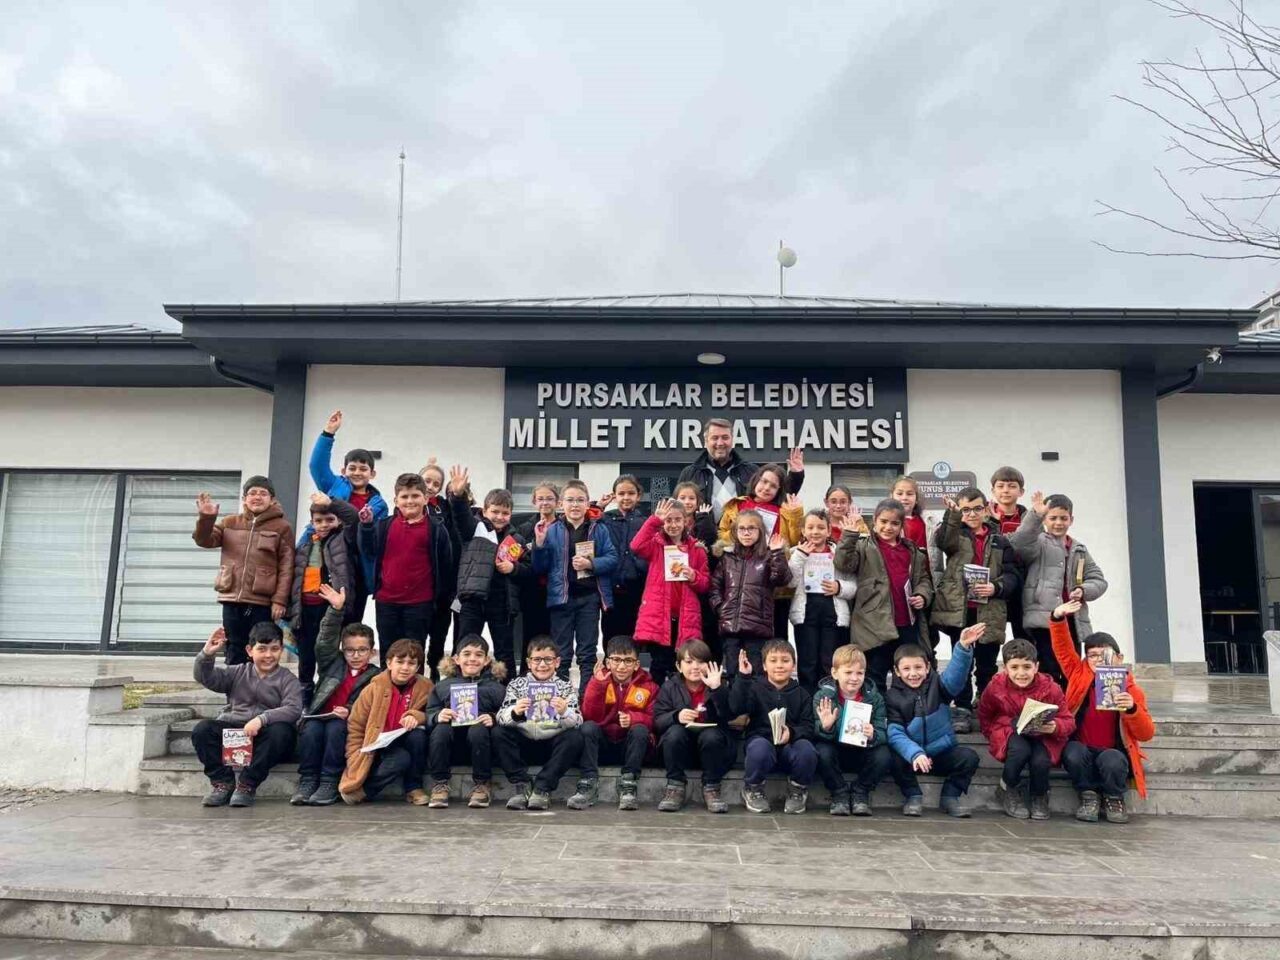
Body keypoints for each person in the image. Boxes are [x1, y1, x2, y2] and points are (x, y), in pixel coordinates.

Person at [1052, 599, 1155, 824]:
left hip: (1112, 751)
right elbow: (1063, 649)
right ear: (1086, 659)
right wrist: (1058, 618)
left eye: (1105, 654)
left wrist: (1131, 708)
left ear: (1119, 658)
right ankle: (1087, 795)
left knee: (1113, 760)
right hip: (1082, 748)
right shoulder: (1078, 674)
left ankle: (1114, 797)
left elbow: (1146, 734)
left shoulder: (1132, 689)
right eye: (1093, 655)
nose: (1099, 660)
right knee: (1072, 752)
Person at [930, 489, 1023, 733]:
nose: (972, 514)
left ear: (986, 509)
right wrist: (952, 515)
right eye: (966, 510)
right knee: (962, 661)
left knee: (987, 663)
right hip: (959, 611)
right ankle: (961, 708)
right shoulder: (955, 535)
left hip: (989, 610)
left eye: (977, 509)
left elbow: (1013, 575)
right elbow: (942, 541)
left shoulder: (1000, 540)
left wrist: (996, 587)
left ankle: (985, 705)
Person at [191, 621, 301, 808]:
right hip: (236, 733)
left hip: (266, 738)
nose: (268, 655)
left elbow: (293, 709)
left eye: (274, 649)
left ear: (281, 650)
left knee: (282, 732)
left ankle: (246, 785)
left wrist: (261, 719)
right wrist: (207, 654)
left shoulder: (287, 679)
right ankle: (223, 783)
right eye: (262, 649)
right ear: (250, 651)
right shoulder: (237, 672)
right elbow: (205, 678)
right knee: (202, 730)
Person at [1008, 491, 1108, 688]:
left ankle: (1069, 706)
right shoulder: (1038, 542)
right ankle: (1048, 705)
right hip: (1043, 620)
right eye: (1052, 518)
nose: (1058, 523)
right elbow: (1019, 541)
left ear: (1071, 519)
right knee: (1048, 669)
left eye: (1063, 518)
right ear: (1045, 519)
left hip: (1072, 620)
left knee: (1072, 669)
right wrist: (1035, 515)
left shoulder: (1079, 549)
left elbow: (1098, 580)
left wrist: (1083, 590)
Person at [193, 476, 295, 667]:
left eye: (263, 493)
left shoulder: (282, 527)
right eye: (252, 493)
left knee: (262, 647)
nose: (257, 497)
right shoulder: (230, 522)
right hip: (231, 598)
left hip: (263, 602)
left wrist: (280, 600)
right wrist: (206, 519)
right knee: (234, 646)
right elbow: (204, 540)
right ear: (244, 499)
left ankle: (260, 685)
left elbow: (286, 566)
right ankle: (234, 685)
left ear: (272, 499)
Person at [292, 585, 380, 807]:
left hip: (346, 722)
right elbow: (325, 640)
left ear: (372, 652)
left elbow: (369, 704)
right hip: (320, 715)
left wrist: (349, 710)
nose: (356, 655)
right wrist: (336, 610)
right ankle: (308, 780)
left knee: (335, 729)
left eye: (362, 650)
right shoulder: (332, 663)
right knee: (311, 731)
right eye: (350, 650)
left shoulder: (375, 676)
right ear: (342, 650)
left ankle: (329, 781)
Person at [531, 479, 618, 698]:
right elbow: (539, 568)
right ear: (561, 504)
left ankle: (585, 699)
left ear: (588, 503)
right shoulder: (551, 530)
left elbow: (612, 558)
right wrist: (539, 545)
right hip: (561, 599)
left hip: (589, 598)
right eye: (570, 500)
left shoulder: (599, 529)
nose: (575, 505)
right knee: (561, 653)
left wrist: (591, 563)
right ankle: (563, 700)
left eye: (580, 500)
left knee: (587, 653)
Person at [884, 628, 983, 818]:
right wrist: (915, 753)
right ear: (897, 671)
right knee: (892, 757)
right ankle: (913, 795)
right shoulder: (892, 697)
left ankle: (950, 796)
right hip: (911, 758)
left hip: (940, 753)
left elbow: (955, 676)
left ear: (927, 667)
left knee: (969, 757)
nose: (913, 673)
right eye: (906, 669)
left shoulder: (938, 685)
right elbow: (895, 733)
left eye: (918, 667)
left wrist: (962, 647)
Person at [834, 498, 933, 687]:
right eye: (884, 521)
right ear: (874, 521)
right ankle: (877, 707)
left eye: (895, 523)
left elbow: (923, 580)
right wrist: (849, 535)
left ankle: (902, 706)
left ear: (901, 525)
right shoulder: (863, 546)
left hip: (906, 623)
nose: (888, 527)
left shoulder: (911, 550)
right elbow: (843, 564)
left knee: (905, 676)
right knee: (875, 676)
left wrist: (922, 595)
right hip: (874, 625)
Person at [359, 472, 454, 670]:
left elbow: (446, 567)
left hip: (420, 603)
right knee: (388, 651)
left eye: (415, 496)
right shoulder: (384, 526)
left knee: (415, 652)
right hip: (387, 601)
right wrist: (366, 526)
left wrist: (441, 601)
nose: (410, 501)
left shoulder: (437, 529)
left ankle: (415, 690)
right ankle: (388, 689)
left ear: (425, 498)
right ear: (396, 500)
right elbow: (368, 550)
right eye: (404, 496)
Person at [977, 637, 1075, 821]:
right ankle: (1007, 788)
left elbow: (1068, 720)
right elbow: (985, 715)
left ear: (1036, 667)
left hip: (1042, 735)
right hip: (1009, 731)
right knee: (1020, 750)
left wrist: (1055, 727)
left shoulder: (1051, 688)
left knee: (1040, 761)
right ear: (1005, 668)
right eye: (1014, 667)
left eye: (1027, 667)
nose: (1021, 673)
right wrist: (994, 735)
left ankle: (1040, 795)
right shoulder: (995, 687)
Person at [447, 465, 528, 680]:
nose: (500, 517)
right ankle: (460, 686)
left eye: (505, 513)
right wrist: (458, 495)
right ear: (484, 511)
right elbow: (460, 515)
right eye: (495, 511)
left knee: (504, 651)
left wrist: (514, 568)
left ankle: (508, 690)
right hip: (472, 600)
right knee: (465, 646)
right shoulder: (475, 528)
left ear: (511, 514)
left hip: (502, 602)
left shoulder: (517, 539)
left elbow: (528, 570)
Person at [308, 409, 387, 621]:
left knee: (351, 617)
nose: (357, 473)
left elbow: (372, 536)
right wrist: (328, 433)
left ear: (372, 474)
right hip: (327, 558)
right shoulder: (333, 486)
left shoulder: (378, 504)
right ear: (343, 471)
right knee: (321, 614)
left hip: (357, 565)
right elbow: (316, 466)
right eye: (352, 468)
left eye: (363, 469)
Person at [495, 637, 587, 810]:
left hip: (552, 745)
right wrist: (515, 712)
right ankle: (522, 785)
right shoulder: (517, 684)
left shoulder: (565, 686)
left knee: (574, 737)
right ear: (528, 663)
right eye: (537, 659)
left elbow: (578, 721)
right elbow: (500, 717)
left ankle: (542, 788)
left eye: (548, 659)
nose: (542, 665)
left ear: (557, 662)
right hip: (524, 743)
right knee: (499, 733)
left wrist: (564, 712)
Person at [339, 638, 433, 804]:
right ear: (389, 663)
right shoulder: (373, 689)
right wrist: (354, 756)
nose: (405, 668)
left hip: (407, 740)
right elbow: (356, 726)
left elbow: (433, 714)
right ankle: (365, 790)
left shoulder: (426, 687)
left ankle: (413, 788)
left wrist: (417, 717)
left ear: (418, 667)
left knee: (418, 736)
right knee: (400, 759)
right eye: (400, 662)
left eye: (411, 663)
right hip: (377, 745)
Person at [729, 641, 818, 815]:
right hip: (762, 743)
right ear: (764, 665)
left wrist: (792, 733)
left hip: (790, 747)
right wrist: (744, 677)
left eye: (785, 660)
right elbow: (736, 707)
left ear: (794, 665)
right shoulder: (755, 688)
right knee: (759, 748)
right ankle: (753, 788)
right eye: (773, 660)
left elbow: (808, 727)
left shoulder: (803, 694)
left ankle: (798, 790)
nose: (779, 665)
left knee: (807, 750)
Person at [629, 498, 710, 686]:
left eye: (677, 520)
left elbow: (705, 583)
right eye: (668, 520)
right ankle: (657, 702)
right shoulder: (656, 545)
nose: (673, 525)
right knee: (658, 665)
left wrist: (694, 576)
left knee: (682, 665)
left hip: (685, 618)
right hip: (659, 617)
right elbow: (636, 546)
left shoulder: (696, 549)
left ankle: (680, 700)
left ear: (686, 521)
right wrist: (654, 520)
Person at [288, 492, 359, 704]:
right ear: (312, 523)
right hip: (304, 610)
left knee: (328, 655)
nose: (324, 524)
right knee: (306, 657)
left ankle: (327, 698)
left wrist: (331, 503)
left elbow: (353, 518)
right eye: (319, 521)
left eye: (330, 519)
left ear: (338, 520)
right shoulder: (304, 546)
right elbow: (295, 578)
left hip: (329, 609)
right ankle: (305, 699)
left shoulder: (343, 539)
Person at [424, 633, 509, 809]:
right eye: (467, 654)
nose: (472, 659)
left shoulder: (496, 688)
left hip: (482, 747)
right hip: (451, 745)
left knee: (478, 728)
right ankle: (440, 783)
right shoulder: (442, 686)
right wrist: (438, 716)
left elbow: (507, 713)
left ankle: (482, 784)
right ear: (456, 659)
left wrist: (493, 717)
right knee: (440, 730)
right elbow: (429, 712)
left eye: (479, 655)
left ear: (486, 660)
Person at [575, 636, 659, 811]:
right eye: (616, 660)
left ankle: (628, 784)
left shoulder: (649, 686)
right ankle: (588, 782)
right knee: (588, 728)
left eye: (628, 661)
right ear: (607, 662)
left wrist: (634, 719)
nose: (621, 666)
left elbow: (656, 719)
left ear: (636, 664)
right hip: (603, 745)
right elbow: (589, 716)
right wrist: (597, 686)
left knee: (640, 730)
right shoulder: (599, 681)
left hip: (630, 748)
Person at [652, 640, 736, 813]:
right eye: (689, 662)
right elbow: (658, 720)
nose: (695, 667)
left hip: (713, 750)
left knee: (711, 735)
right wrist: (676, 716)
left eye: (701, 661)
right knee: (674, 733)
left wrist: (716, 689)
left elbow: (729, 715)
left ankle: (712, 788)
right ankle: (675, 787)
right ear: (679, 666)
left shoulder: (718, 684)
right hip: (681, 751)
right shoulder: (669, 687)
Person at [813, 644, 891, 816]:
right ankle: (839, 793)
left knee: (884, 755)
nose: (854, 678)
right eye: (848, 672)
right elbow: (815, 731)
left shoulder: (875, 698)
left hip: (863, 751)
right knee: (821, 751)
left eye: (859, 673)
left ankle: (860, 792)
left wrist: (873, 734)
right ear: (835, 673)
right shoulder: (823, 697)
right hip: (836, 749)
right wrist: (826, 727)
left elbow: (883, 731)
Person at [710, 511, 791, 679]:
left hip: (757, 628)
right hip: (731, 628)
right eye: (742, 529)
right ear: (735, 532)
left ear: (760, 531)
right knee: (733, 674)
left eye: (751, 528)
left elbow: (782, 579)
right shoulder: (728, 557)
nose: (746, 533)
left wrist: (777, 553)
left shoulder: (768, 556)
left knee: (756, 675)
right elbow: (715, 586)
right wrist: (720, 608)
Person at [678, 418, 805, 522]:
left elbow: (778, 496)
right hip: (702, 540)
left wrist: (796, 475)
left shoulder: (751, 471)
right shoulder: (690, 473)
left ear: (732, 440)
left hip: (743, 540)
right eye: (715, 438)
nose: (720, 443)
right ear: (705, 441)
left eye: (725, 437)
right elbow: (678, 509)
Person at [788, 509, 857, 691]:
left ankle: (828, 699)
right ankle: (807, 701)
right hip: (806, 614)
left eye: (820, 527)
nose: (815, 532)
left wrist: (839, 587)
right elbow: (789, 582)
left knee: (829, 661)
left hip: (833, 614)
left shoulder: (838, 554)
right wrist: (800, 556)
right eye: (810, 527)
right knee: (807, 662)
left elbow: (854, 586)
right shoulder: (796, 553)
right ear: (803, 530)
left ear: (828, 531)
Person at [419, 459, 461, 679]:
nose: (431, 486)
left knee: (439, 633)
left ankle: (434, 674)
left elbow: (460, 517)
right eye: (427, 480)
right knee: (417, 634)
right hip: (419, 583)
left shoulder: (443, 506)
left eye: (436, 483)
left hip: (444, 583)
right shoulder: (408, 504)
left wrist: (458, 493)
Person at [598, 475, 650, 642]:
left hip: (637, 586)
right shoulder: (605, 519)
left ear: (638, 496)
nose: (626, 497)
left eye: (631, 493)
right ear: (615, 496)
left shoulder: (645, 522)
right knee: (610, 633)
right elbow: (585, 523)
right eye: (621, 494)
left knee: (634, 634)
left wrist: (640, 566)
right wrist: (599, 506)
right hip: (611, 587)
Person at [675, 481, 722, 661]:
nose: (687, 502)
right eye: (682, 497)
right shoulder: (670, 523)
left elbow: (709, 548)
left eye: (691, 498)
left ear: (698, 501)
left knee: (706, 629)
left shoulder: (704, 522)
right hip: (677, 585)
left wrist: (704, 519)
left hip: (701, 585)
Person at [516, 481, 561, 663]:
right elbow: (519, 558)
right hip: (532, 592)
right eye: (541, 499)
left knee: (555, 637)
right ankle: (527, 672)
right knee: (530, 637)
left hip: (558, 590)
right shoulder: (525, 528)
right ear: (534, 501)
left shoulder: (564, 526)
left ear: (557, 502)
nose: (545, 502)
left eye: (549, 498)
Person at [989, 466, 1029, 639]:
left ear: (1021, 491)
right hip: (993, 583)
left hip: (1023, 582)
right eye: (1000, 486)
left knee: (1024, 636)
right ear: (993, 490)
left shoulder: (1029, 519)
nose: (1006, 490)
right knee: (990, 638)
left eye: (1012, 486)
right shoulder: (983, 517)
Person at [889, 476, 929, 554]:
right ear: (892, 497)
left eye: (909, 494)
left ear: (916, 499)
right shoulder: (885, 522)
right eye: (899, 494)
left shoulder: (929, 521)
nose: (904, 498)